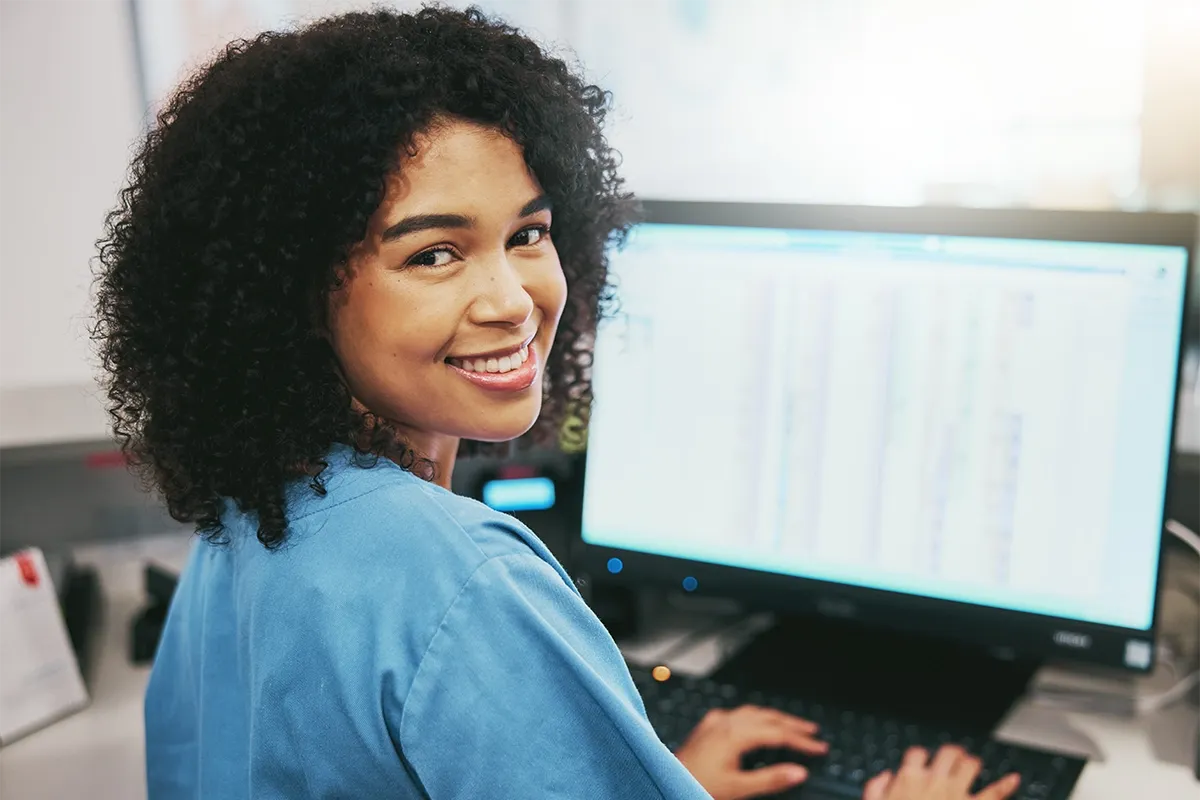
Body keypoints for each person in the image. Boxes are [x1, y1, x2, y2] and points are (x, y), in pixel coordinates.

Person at [94, 7, 1022, 799]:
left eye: (528, 233)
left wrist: (642, 770)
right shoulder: (462, 581)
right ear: (292, 292)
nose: (512, 298)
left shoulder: (242, 523)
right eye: (433, 253)